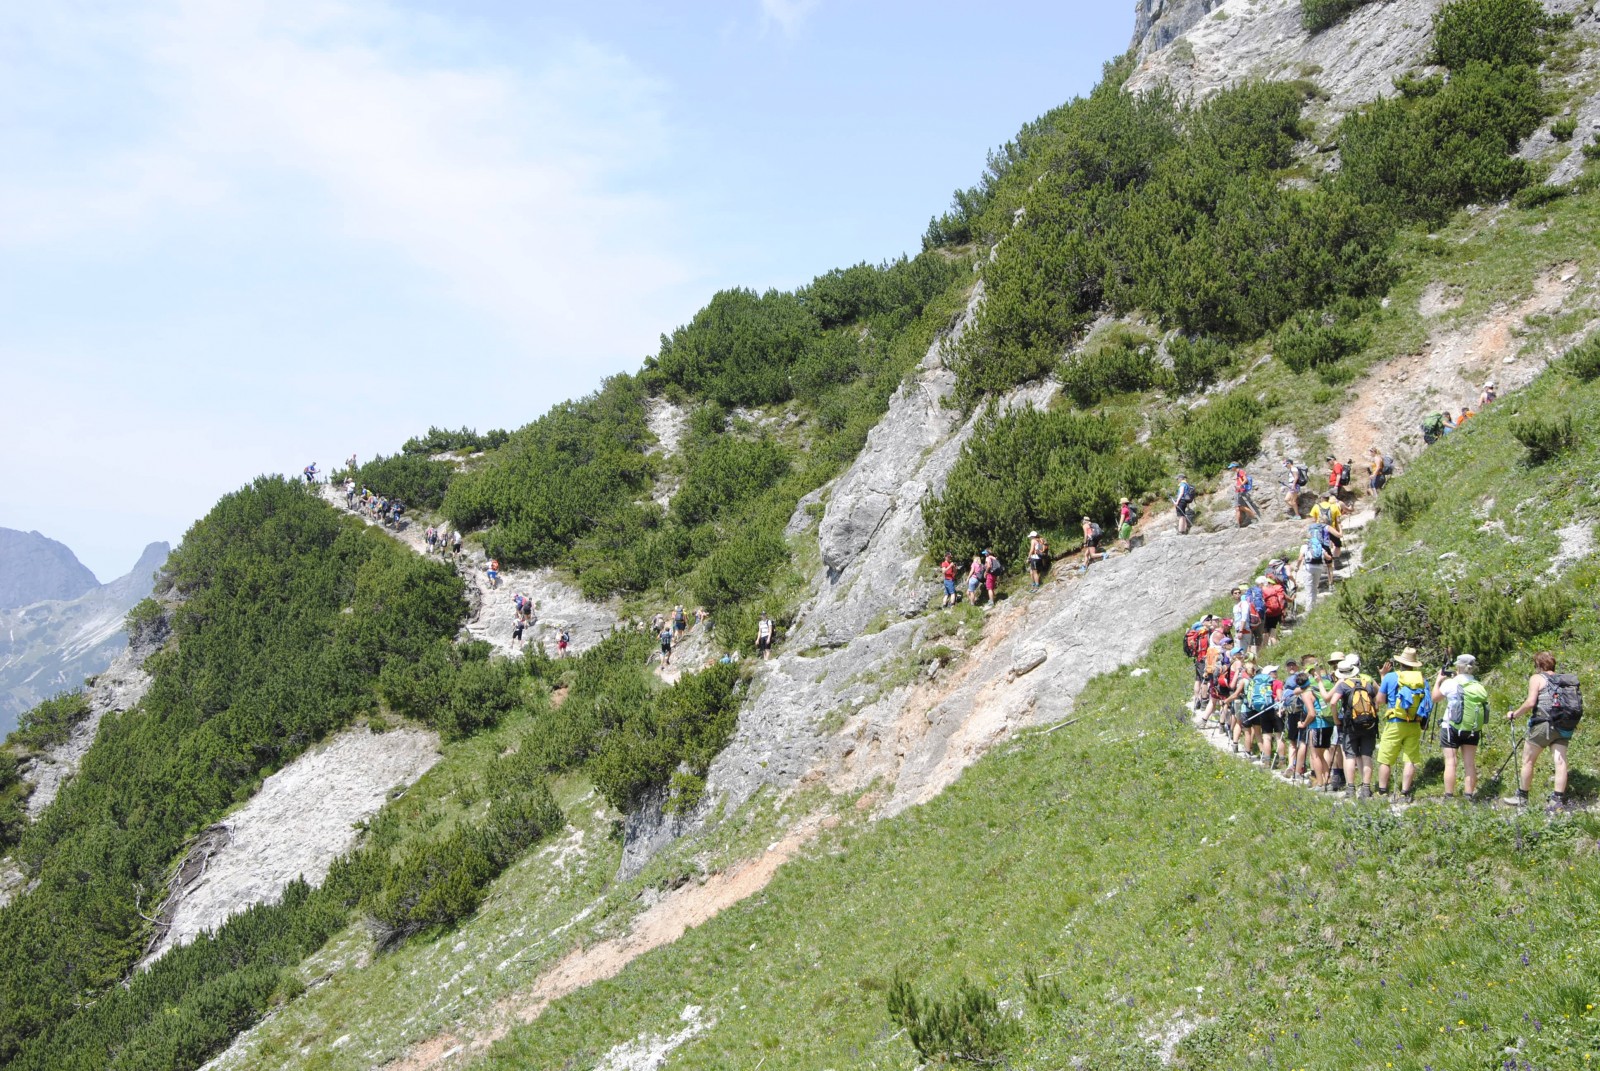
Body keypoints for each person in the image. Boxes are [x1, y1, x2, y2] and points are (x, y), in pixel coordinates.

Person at [1505, 651, 1582, 811]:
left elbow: (1530, 702)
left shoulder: (1537, 678)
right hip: (1564, 725)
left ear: (1538, 665)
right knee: (1560, 761)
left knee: (1528, 760)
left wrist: (1515, 714)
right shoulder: (1563, 680)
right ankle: (1557, 800)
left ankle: (1522, 796)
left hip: (1544, 725)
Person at [1377, 647, 1432, 803]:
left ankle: (1382, 792)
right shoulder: (1422, 680)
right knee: (1410, 759)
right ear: (1414, 664)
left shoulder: (1390, 677)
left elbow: (1380, 700)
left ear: (1400, 662)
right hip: (1414, 723)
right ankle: (1405, 793)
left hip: (1395, 722)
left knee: (1385, 758)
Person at [1434, 653, 1488, 800]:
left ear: (1458, 666)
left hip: (1450, 727)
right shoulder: (1478, 685)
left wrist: (1438, 681)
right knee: (1470, 763)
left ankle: (1449, 796)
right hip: (1472, 728)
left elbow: (1435, 698)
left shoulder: (1451, 683)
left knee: (1451, 762)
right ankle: (1469, 795)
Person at [1330, 656, 1380, 798]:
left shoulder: (1343, 685)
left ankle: (1350, 788)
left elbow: (1333, 702)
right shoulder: (1367, 683)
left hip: (1350, 725)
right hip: (1369, 724)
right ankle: (1365, 788)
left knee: (1350, 755)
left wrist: (1336, 720)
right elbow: (1377, 703)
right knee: (1366, 756)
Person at [1296, 525, 1330, 614]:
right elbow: (1328, 557)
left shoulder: (1304, 547)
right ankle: (1314, 607)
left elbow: (1300, 558)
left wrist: (1297, 567)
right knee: (1315, 587)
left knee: (1309, 589)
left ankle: (1308, 610)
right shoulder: (1319, 546)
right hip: (1319, 567)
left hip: (1308, 568)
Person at [1227, 463, 1259, 528]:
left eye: (1231, 467)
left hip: (1240, 491)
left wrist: (1240, 486)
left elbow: (1245, 479)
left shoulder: (1240, 471)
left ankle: (1252, 517)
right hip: (1239, 491)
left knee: (1238, 507)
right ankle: (1239, 523)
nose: (1231, 469)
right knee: (1238, 507)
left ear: (1234, 467)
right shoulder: (1238, 473)